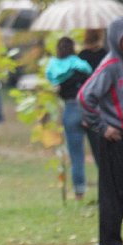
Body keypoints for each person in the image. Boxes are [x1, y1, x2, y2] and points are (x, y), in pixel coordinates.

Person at [78, 17, 123, 245]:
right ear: (117, 38)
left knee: (122, 194)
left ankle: (117, 244)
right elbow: (85, 96)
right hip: (112, 140)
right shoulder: (111, 65)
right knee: (111, 195)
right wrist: (102, 127)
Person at [45, 37, 93, 200]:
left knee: (76, 156)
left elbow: (56, 89)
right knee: (99, 152)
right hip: (89, 108)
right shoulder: (82, 66)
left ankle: (79, 192)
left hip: (71, 109)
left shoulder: (54, 69)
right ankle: (109, 187)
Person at [78, 29, 107, 166]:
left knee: (95, 144)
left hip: (88, 104)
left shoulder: (81, 57)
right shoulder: (105, 55)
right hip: (104, 103)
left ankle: (101, 168)